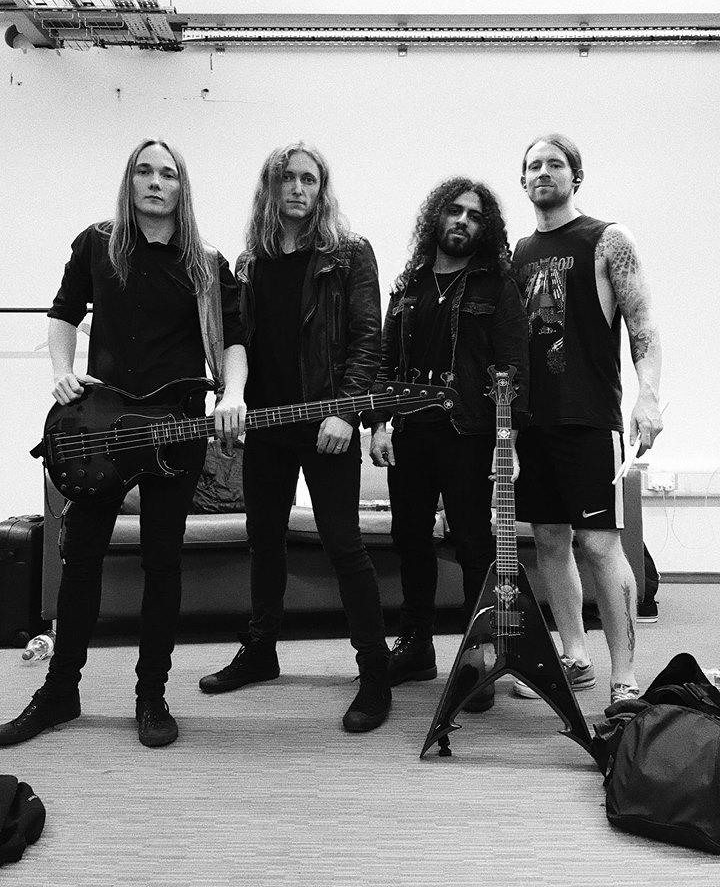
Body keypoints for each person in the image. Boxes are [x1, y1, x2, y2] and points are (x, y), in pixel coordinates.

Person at [0, 139, 246, 748]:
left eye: (168, 173)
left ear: (182, 187)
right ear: (130, 181)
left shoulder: (206, 263)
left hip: (176, 430)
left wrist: (233, 395)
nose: (155, 182)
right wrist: (62, 371)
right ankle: (59, 691)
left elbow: (235, 340)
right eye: (144, 171)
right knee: (81, 558)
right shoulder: (98, 243)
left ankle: (151, 696)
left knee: (162, 564)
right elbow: (63, 312)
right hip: (101, 428)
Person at [199, 142, 391, 733]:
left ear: (321, 189)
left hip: (327, 424)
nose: (298, 188)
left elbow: (368, 341)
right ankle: (261, 650)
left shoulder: (349, 254)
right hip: (266, 425)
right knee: (264, 542)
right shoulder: (250, 262)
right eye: (287, 178)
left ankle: (375, 671)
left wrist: (346, 414)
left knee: (343, 545)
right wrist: (232, 402)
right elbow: (237, 342)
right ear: (271, 187)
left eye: (309, 179)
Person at [366, 178, 529, 707]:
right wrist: (379, 424)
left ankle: (477, 657)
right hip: (411, 433)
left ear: (486, 228)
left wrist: (508, 441)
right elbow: (387, 362)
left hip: (469, 433)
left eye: (474, 215)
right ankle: (416, 646)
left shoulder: (496, 286)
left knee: (473, 544)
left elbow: (513, 369)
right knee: (409, 539)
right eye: (454, 210)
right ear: (436, 216)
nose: (462, 221)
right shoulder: (409, 284)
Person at [512, 133, 663, 705]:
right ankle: (574, 657)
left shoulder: (607, 239)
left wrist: (648, 397)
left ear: (575, 176)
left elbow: (642, 322)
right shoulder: (518, 252)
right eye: (533, 165)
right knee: (549, 539)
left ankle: (624, 677)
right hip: (532, 423)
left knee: (599, 544)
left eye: (555, 164)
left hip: (588, 418)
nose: (543, 172)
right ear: (522, 180)